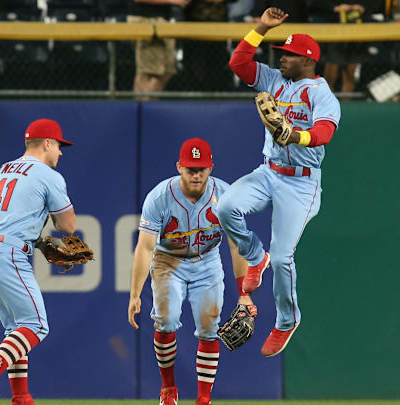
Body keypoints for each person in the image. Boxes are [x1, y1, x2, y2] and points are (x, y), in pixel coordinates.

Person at [221, 7, 341, 357]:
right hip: (269, 171)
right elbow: (239, 65)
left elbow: (325, 132)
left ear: (307, 61)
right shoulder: (274, 80)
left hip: (301, 184)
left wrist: (296, 136)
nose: (281, 60)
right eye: (281, 55)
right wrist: (261, 27)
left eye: (288, 55)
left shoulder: (319, 92)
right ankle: (253, 257)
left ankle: (287, 320)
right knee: (226, 206)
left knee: (283, 258)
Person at [127, 138, 255, 405]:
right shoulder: (160, 197)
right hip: (168, 261)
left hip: (206, 261)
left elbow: (236, 246)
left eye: (201, 168)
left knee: (209, 327)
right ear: (179, 168)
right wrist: (135, 294)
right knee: (166, 320)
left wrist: (244, 294)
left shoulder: (225, 196)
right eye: (190, 168)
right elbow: (144, 248)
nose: (196, 174)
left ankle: (203, 399)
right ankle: (168, 389)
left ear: (211, 168)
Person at [0, 119, 77, 405]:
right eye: (60, 146)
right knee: (37, 325)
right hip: (6, 255)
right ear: (48, 143)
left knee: (17, 330)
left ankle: (21, 398)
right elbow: (68, 225)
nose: (61, 153)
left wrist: (37, 241)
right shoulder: (48, 175)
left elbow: (8, 218)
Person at [128, 0, 190, 97]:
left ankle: (149, 104)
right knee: (148, 73)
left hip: (164, 21)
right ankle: (142, 108)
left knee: (168, 71)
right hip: (145, 20)